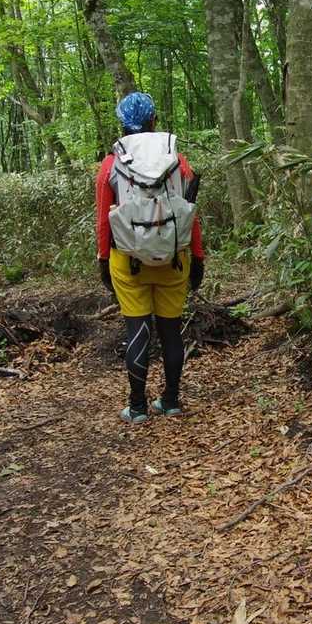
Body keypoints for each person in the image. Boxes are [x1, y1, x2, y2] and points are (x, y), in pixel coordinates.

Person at [96, 92, 205, 423]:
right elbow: (190, 214)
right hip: (174, 257)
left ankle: (138, 407)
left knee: (137, 330)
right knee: (171, 331)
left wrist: (103, 260)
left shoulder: (111, 164)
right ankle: (170, 400)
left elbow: (104, 221)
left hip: (128, 260)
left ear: (122, 124)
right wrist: (197, 257)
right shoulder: (177, 160)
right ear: (153, 120)